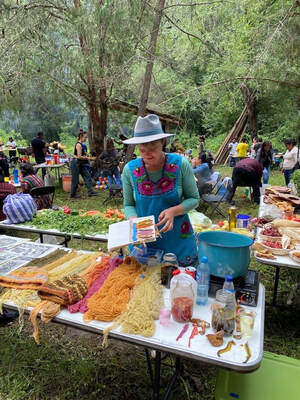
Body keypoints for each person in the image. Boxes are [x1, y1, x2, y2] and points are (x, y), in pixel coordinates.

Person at [122, 114, 199, 266]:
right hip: (144, 243)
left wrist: (173, 211)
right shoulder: (129, 170)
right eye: (142, 150)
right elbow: (129, 205)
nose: (147, 154)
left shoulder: (180, 164)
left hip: (178, 242)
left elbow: (194, 199)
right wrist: (133, 221)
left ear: (163, 142)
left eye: (153, 148)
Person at [70, 131, 98, 198]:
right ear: (81, 137)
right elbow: (79, 156)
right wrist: (89, 158)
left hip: (81, 163)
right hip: (76, 163)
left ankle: (90, 191)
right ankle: (73, 194)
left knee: (87, 176)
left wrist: (86, 156)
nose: (86, 138)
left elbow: (79, 155)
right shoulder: (78, 145)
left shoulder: (82, 145)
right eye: (85, 137)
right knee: (75, 180)